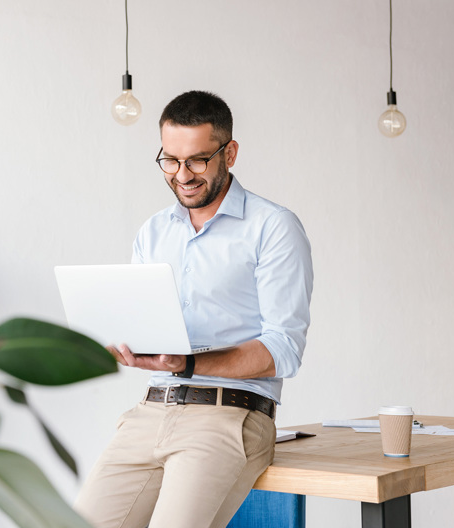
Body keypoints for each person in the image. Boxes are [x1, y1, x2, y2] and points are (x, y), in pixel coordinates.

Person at [74, 90, 313, 528]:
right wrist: (122, 342)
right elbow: (142, 321)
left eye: (197, 161)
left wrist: (187, 363)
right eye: (170, 160)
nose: (182, 175)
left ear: (230, 152)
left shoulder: (273, 227)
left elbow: (283, 348)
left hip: (228, 417)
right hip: (149, 412)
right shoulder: (154, 231)